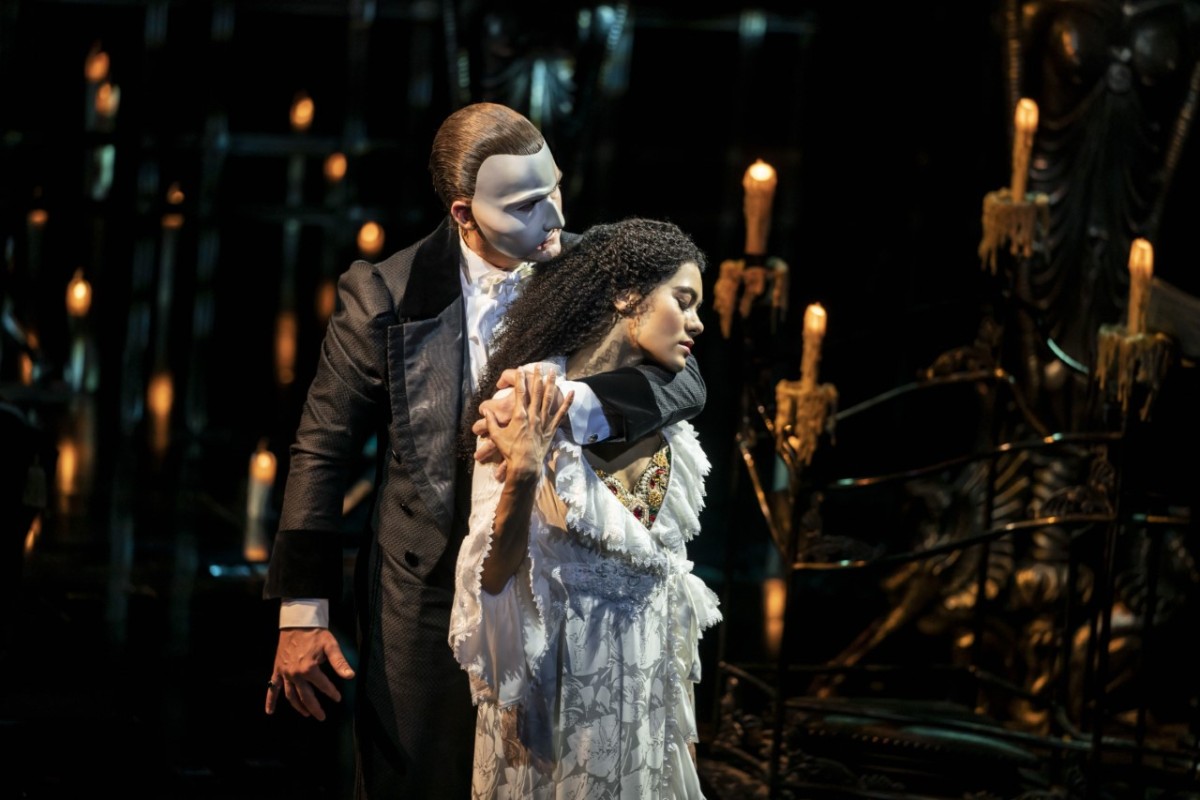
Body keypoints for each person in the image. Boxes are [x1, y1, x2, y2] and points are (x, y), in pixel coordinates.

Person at [261, 103, 707, 800]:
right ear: (464, 214)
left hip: (548, 592)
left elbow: (686, 382)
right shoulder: (386, 292)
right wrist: (302, 612)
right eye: (526, 205)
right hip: (425, 591)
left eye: (555, 189)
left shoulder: (594, 269)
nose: (554, 217)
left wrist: (573, 406)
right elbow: (322, 447)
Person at [449, 218, 722, 798]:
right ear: (626, 295)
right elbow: (488, 584)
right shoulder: (522, 407)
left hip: (645, 720)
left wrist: (680, 743)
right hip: (559, 717)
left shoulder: (666, 416)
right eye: (684, 300)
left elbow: (673, 601)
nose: (698, 322)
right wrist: (524, 473)